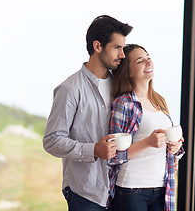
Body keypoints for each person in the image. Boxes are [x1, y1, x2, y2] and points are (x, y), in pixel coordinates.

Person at [43, 15, 133, 211]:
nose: (122, 55)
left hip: (119, 190)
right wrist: (92, 150)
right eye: (117, 47)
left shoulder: (120, 85)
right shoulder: (70, 89)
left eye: (123, 48)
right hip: (85, 193)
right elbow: (51, 140)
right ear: (98, 46)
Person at [108, 44, 184, 211]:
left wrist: (176, 147)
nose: (148, 62)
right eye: (140, 61)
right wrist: (148, 142)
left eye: (148, 57)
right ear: (128, 72)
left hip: (161, 188)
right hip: (131, 189)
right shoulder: (124, 103)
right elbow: (112, 156)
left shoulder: (159, 101)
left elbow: (170, 151)